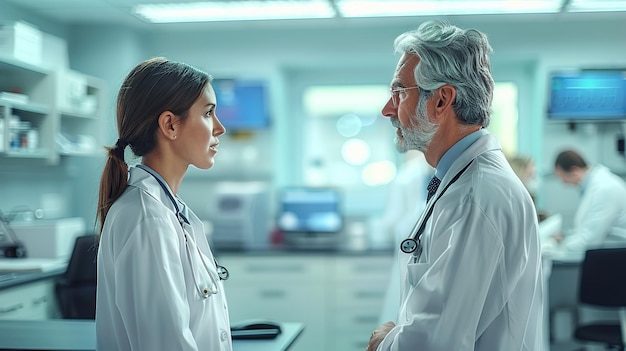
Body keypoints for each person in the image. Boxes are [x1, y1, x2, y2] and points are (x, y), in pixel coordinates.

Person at [367, 20, 544, 351]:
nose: (387, 109)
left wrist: (385, 343)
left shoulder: (473, 198)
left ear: (440, 101)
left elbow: (438, 342)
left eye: (398, 92)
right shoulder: (461, 182)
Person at [95, 57, 231, 350]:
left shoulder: (166, 210)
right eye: (208, 113)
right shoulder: (148, 218)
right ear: (170, 125)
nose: (219, 128)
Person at [549, 149, 626, 251]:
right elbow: (588, 227)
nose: (564, 183)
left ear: (574, 171)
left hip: (614, 257)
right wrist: (566, 236)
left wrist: (556, 247)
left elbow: (590, 240)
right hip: (607, 253)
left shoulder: (604, 188)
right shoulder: (593, 186)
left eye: (563, 177)